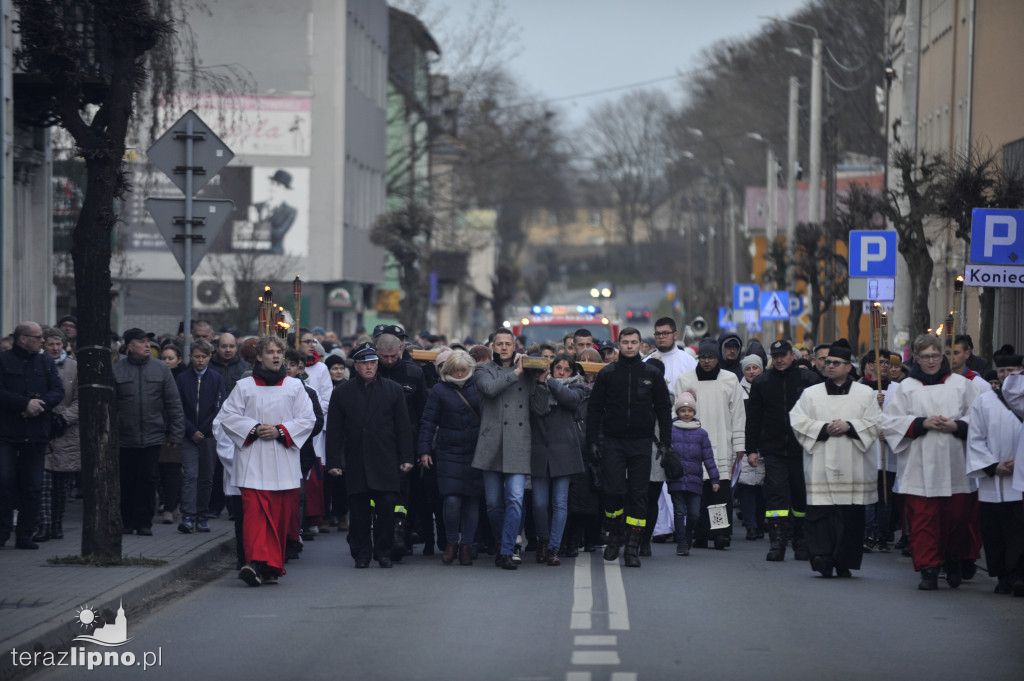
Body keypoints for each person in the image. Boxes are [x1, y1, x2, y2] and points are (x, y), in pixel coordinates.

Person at [214, 335, 316, 586]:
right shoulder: (244, 386)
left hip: (282, 462)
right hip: (252, 462)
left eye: (279, 352)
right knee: (255, 517)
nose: (276, 356)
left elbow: (307, 419)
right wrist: (255, 428)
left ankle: (270, 567)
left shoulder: (294, 387)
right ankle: (256, 562)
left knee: (278, 519)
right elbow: (227, 416)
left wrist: (281, 430)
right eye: (270, 352)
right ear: (259, 356)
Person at [881, 334, 980, 590]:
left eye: (936, 355)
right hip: (918, 463)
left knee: (956, 518)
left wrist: (956, 425)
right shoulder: (906, 387)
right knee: (923, 520)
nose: (931, 361)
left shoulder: (962, 384)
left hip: (955, 460)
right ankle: (928, 568)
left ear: (942, 356)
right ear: (916, 358)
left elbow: (979, 418)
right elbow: (890, 422)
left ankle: (953, 559)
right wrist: (920, 423)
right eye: (925, 357)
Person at [789, 339, 882, 578]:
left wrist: (850, 426)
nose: (830, 366)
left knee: (849, 516)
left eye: (836, 363)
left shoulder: (866, 394)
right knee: (820, 513)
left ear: (848, 367)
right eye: (827, 362)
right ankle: (821, 557)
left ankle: (844, 561)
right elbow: (797, 420)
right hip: (821, 461)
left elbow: (877, 423)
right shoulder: (811, 394)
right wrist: (823, 428)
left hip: (854, 464)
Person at [587, 327, 672, 568]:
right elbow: (594, 409)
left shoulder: (652, 374)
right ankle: (615, 536)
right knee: (612, 491)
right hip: (613, 441)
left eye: (634, 342)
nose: (630, 346)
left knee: (639, 495)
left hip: (641, 442)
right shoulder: (608, 374)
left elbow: (664, 409)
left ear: (640, 345)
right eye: (625, 342)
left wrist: (666, 443)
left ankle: (633, 547)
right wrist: (592, 441)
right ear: (619, 345)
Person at [326, 343, 414, 568]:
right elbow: (334, 430)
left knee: (386, 510)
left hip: (385, 459)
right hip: (356, 460)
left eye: (373, 363)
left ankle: (383, 552)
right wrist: (334, 461)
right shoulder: (342, 392)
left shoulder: (393, 390)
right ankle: (361, 553)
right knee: (358, 513)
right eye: (364, 363)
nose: (369, 367)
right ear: (355, 366)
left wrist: (406, 457)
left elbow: (403, 427)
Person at [745, 339, 820, 562]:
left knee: (800, 498)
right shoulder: (762, 382)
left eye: (783, 355)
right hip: (774, 449)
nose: (779, 360)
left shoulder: (809, 380)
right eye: (775, 356)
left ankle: (801, 541)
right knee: (776, 498)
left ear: (792, 356)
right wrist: (751, 449)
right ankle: (777, 543)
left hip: (803, 449)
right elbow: (754, 419)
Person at [472, 327, 536, 570]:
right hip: (492, 442)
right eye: (499, 343)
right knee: (493, 504)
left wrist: (541, 379)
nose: (503, 347)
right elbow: (489, 389)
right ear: (492, 347)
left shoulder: (528, 371)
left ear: (515, 345)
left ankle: (508, 549)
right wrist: (518, 372)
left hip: (518, 442)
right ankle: (502, 544)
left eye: (508, 343)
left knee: (515, 499)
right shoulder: (483, 370)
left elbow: (538, 407)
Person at [674, 337, 746, 550]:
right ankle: (700, 533)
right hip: (692, 443)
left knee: (720, 492)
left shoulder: (730, 379)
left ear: (718, 358)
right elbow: (676, 413)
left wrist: (740, 445)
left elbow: (738, 414)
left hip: (722, 442)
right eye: (703, 357)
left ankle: (721, 533)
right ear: (698, 358)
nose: (706, 361)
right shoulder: (685, 380)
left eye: (711, 357)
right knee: (698, 491)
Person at [112, 327, 184, 537]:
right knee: (126, 481)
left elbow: (173, 403)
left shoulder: (161, 369)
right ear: (129, 346)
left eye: (147, 342)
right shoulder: (117, 370)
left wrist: (176, 433)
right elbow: (110, 405)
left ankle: (144, 523)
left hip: (153, 436)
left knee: (147, 479)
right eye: (141, 342)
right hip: (125, 437)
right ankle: (126, 521)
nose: (147, 345)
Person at [0, 323, 64, 549]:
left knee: (33, 486)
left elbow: (58, 390)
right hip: (7, 432)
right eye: (38, 338)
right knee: (4, 481)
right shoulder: (4, 360)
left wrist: (39, 406)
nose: (42, 341)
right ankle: (3, 530)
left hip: (36, 433)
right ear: (23, 339)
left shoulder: (45, 362)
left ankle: (25, 534)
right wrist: (24, 403)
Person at [966, 355, 1024, 595]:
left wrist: (1018, 463)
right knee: (994, 532)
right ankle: (1001, 575)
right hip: (992, 480)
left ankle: (1018, 575)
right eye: (1001, 370)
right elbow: (976, 437)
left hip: (1018, 481)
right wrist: (993, 465)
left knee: (1017, 532)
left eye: (1011, 370)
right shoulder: (984, 401)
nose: (1004, 375)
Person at [418, 350, 483, 565]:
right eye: (455, 370)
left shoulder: (478, 387)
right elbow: (428, 422)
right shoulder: (439, 390)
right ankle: (451, 541)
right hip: (449, 452)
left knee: (472, 502)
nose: (459, 373)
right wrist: (425, 450)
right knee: (452, 500)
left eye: (463, 370)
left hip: (476, 451)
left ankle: (467, 545)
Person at [374, 331, 429, 559]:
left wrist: (422, 447)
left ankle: (402, 537)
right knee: (379, 495)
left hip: (408, 441)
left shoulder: (413, 373)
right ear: (377, 352)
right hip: (379, 443)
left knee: (406, 494)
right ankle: (381, 538)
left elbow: (423, 411)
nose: (388, 361)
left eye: (392, 356)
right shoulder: (370, 371)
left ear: (400, 351)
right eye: (384, 357)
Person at [530, 353, 587, 566]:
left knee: (560, 503)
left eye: (566, 369)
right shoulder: (537, 385)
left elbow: (570, 401)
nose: (562, 372)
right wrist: (541, 383)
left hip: (564, 453)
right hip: (539, 452)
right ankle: (542, 541)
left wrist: (551, 380)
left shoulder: (577, 386)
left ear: (572, 372)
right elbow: (538, 408)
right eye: (558, 368)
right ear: (551, 367)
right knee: (539, 503)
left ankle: (554, 548)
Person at [175, 339, 227, 534]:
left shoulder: (216, 378)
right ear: (190, 357)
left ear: (210, 357)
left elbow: (219, 407)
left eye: (204, 357)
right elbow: (177, 407)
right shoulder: (182, 378)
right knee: (190, 475)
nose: (200, 360)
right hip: (188, 435)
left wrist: (203, 430)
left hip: (208, 435)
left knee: (207, 476)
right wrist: (190, 430)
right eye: (196, 356)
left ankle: (202, 515)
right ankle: (188, 515)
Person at [36, 328, 79, 542]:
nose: (55, 348)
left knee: (61, 485)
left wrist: (64, 417)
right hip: (42, 428)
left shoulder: (73, 368)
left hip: (66, 432)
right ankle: (43, 524)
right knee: (43, 483)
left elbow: (81, 400)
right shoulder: (37, 364)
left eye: (58, 344)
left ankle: (56, 524)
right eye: (51, 344)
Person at [667, 391, 719, 556]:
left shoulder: (701, 434)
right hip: (676, 478)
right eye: (683, 410)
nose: (686, 414)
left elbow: (708, 457)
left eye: (689, 411)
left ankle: (689, 534)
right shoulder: (670, 431)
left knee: (694, 513)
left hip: (695, 479)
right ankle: (681, 541)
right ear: (678, 412)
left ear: (694, 412)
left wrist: (714, 478)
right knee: (679, 511)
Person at [283, 349, 325, 549]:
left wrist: (296, 435)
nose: (288, 369)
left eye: (292, 365)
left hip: (301, 450)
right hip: (279, 448)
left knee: (298, 493)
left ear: (300, 367)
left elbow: (317, 421)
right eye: (285, 364)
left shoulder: (309, 392)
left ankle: (296, 532)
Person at [736, 354, 766, 540]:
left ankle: (761, 523)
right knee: (746, 485)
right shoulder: (738, 390)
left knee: (762, 488)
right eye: (748, 368)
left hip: (765, 442)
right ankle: (750, 525)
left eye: (755, 367)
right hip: (745, 443)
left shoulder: (767, 386)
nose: (751, 371)